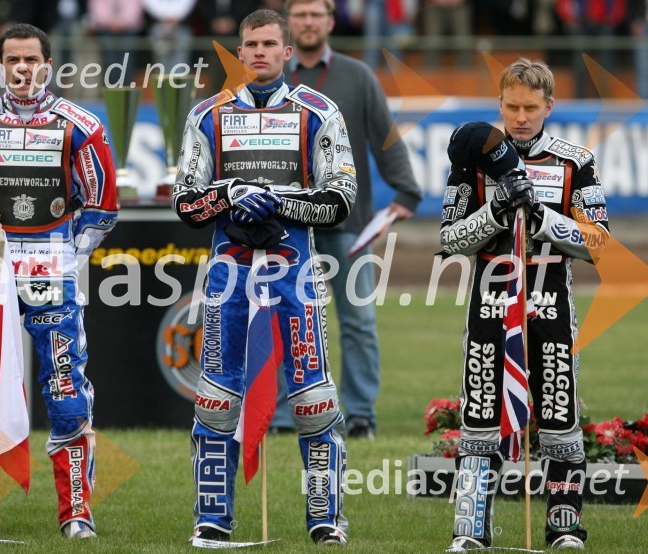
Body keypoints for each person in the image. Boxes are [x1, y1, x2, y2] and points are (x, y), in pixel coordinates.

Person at [172, 9, 355, 546]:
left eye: (269, 44)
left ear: (286, 50)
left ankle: (325, 517)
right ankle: (213, 516)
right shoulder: (207, 114)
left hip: (294, 273)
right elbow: (186, 203)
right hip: (229, 275)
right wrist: (230, 195)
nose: (259, 52)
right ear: (239, 49)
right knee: (216, 397)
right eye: (250, 43)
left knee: (313, 399)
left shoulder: (319, 112)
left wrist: (279, 203)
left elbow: (341, 200)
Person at [0, 23, 118, 540]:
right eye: (11, 60)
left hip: (54, 270)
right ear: (0, 66)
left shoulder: (79, 124)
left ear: (48, 64)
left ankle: (76, 513)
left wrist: (65, 255)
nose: (21, 69)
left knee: (66, 393)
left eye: (31, 60)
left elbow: (102, 203)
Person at [440, 58, 610, 551]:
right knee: (479, 415)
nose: (519, 117)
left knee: (558, 415)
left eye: (530, 108)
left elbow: (599, 243)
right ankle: (472, 528)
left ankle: (564, 527)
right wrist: (496, 212)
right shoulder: (471, 157)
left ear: (549, 107)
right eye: (511, 106)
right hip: (491, 300)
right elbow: (450, 240)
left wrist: (542, 217)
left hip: (551, 298)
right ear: (499, 104)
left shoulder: (576, 161)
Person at [277, 0, 422, 439]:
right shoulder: (271, 77)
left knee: (357, 321)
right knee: (286, 319)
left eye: (315, 14)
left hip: (348, 222)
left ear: (330, 22)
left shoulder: (357, 76)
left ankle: (360, 415)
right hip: (285, 224)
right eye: (299, 15)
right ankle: (287, 415)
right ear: (289, 23)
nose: (307, 22)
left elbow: (385, 137)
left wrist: (406, 189)